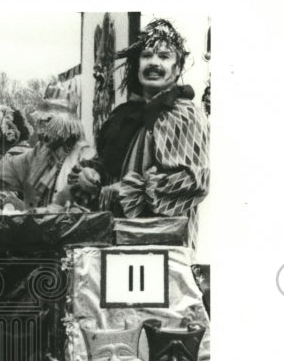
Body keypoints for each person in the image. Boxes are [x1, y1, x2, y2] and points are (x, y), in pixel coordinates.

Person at [69, 18, 209, 249]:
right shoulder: (124, 116)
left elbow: (194, 181)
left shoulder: (185, 115)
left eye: (164, 56)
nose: (154, 63)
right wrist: (88, 175)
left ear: (177, 68)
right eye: (147, 55)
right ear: (137, 64)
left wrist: (131, 190)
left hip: (162, 247)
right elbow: (107, 166)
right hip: (116, 240)